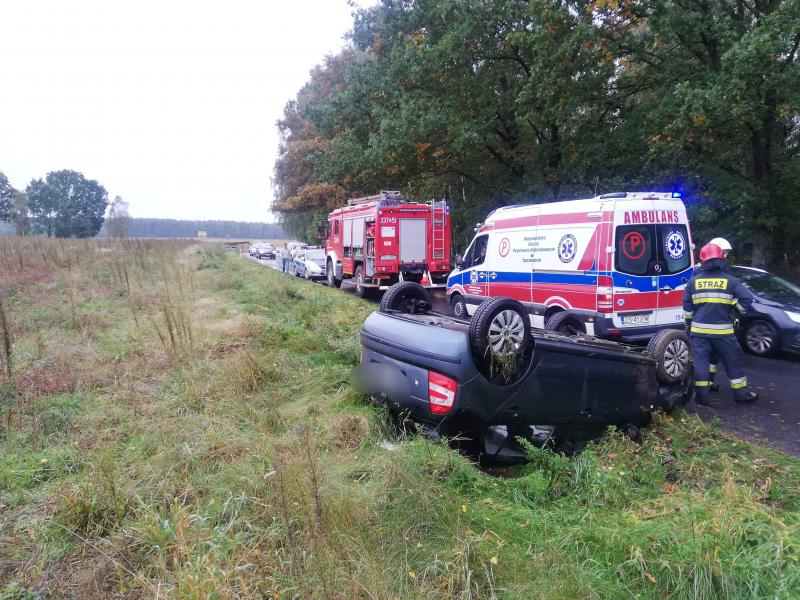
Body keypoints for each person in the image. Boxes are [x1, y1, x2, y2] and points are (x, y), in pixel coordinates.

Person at [683, 243, 758, 405]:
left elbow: (687, 307)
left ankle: (702, 397)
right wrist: (734, 312)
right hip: (723, 332)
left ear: (702, 260)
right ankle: (741, 394)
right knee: (733, 361)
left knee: (701, 363)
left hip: (699, 331)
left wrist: (689, 324)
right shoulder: (730, 280)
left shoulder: (693, 282)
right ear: (722, 258)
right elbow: (747, 298)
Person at [705, 237, 733, 390]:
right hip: (715, 320)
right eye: (724, 252)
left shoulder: (699, 270)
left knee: (712, 355)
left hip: (707, 320)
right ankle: (702, 385)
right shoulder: (722, 271)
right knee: (708, 354)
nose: (725, 255)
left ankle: (707, 383)